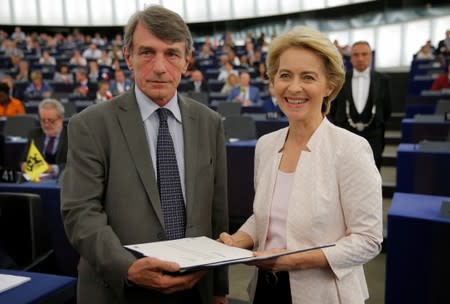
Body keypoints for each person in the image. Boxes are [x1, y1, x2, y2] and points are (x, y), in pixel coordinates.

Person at [61, 5, 229, 304]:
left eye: (172, 54)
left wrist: (219, 289)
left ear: (187, 61)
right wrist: (128, 267)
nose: (160, 67)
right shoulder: (89, 124)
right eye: (147, 52)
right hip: (118, 289)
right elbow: (81, 214)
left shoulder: (209, 122)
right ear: (128, 57)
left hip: (195, 290)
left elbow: (217, 210)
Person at [219, 26, 382, 304]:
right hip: (264, 290)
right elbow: (265, 219)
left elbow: (368, 240)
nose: (294, 87)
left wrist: (292, 261)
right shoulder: (266, 145)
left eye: (308, 77)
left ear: (329, 85)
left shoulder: (351, 149)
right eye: (284, 75)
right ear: (273, 82)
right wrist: (238, 240)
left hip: (324, 294)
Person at [328, 41, 391, 169]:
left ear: (370, 56)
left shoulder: (383, 80)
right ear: (351, 58)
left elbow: (387, 109)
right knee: (344, 171)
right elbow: (332, 108)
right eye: (356, 55)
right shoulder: (340, 79)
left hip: (374, 135)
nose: (360, 58)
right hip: (345, 134)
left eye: (364, 54)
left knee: (373, 171)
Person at [21, 98, 67, 178]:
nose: (46, 125)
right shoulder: (34, 134)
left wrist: (53, 169)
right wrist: (24, 165)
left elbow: (77, 164)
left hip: (64, 181)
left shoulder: (72, 135)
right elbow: (24, 160)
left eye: (51, 121)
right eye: (43, 120)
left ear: (61, 119)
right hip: (36, 180)